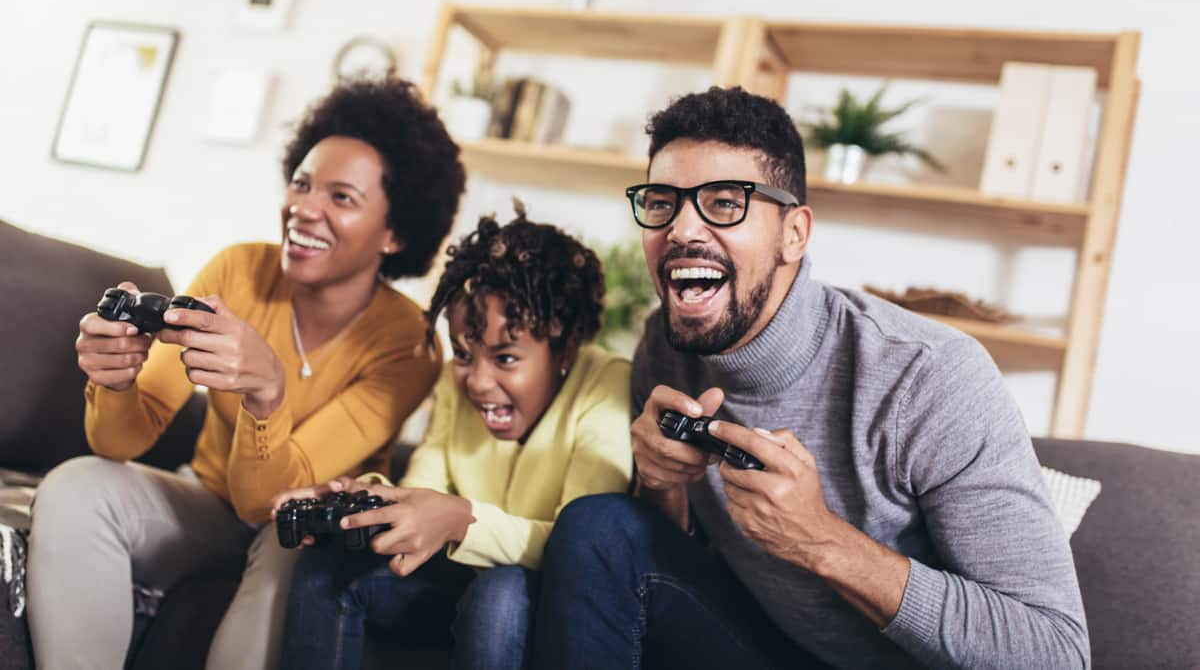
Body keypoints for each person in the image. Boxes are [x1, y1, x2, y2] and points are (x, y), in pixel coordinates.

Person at [531, 86, 1089, 669]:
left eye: (724, 203)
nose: (681, 230)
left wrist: (819, 539)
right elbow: (670, 556)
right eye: (662, 201)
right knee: (599, 527)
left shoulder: (930, 377)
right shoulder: (666, 348)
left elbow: (1054, 652)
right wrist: (660, 483)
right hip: (764, 642)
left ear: (794, 234)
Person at [26, 76, 465, 670]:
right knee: (78, 486)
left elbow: (268, 503)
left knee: (293, 546)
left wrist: (266, 394)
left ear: (396, 233)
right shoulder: (237, 270)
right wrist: (115, 379)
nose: (304, 208)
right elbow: (117, 442)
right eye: (302, 183)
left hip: (301, 529)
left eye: (342, 197)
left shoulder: (409, 344)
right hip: (205, 505)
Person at [275, 211, 634, 670]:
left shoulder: (604, 385)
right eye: (464, 354)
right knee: (326, 569)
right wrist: (364, 503)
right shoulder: (452, 384)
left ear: (563, 350)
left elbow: (583, 547)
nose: (478, 382)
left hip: (537, 607)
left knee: (501, 591)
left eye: (506, 358)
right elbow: (425, 489)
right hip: (455, 589)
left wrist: (463, 521)